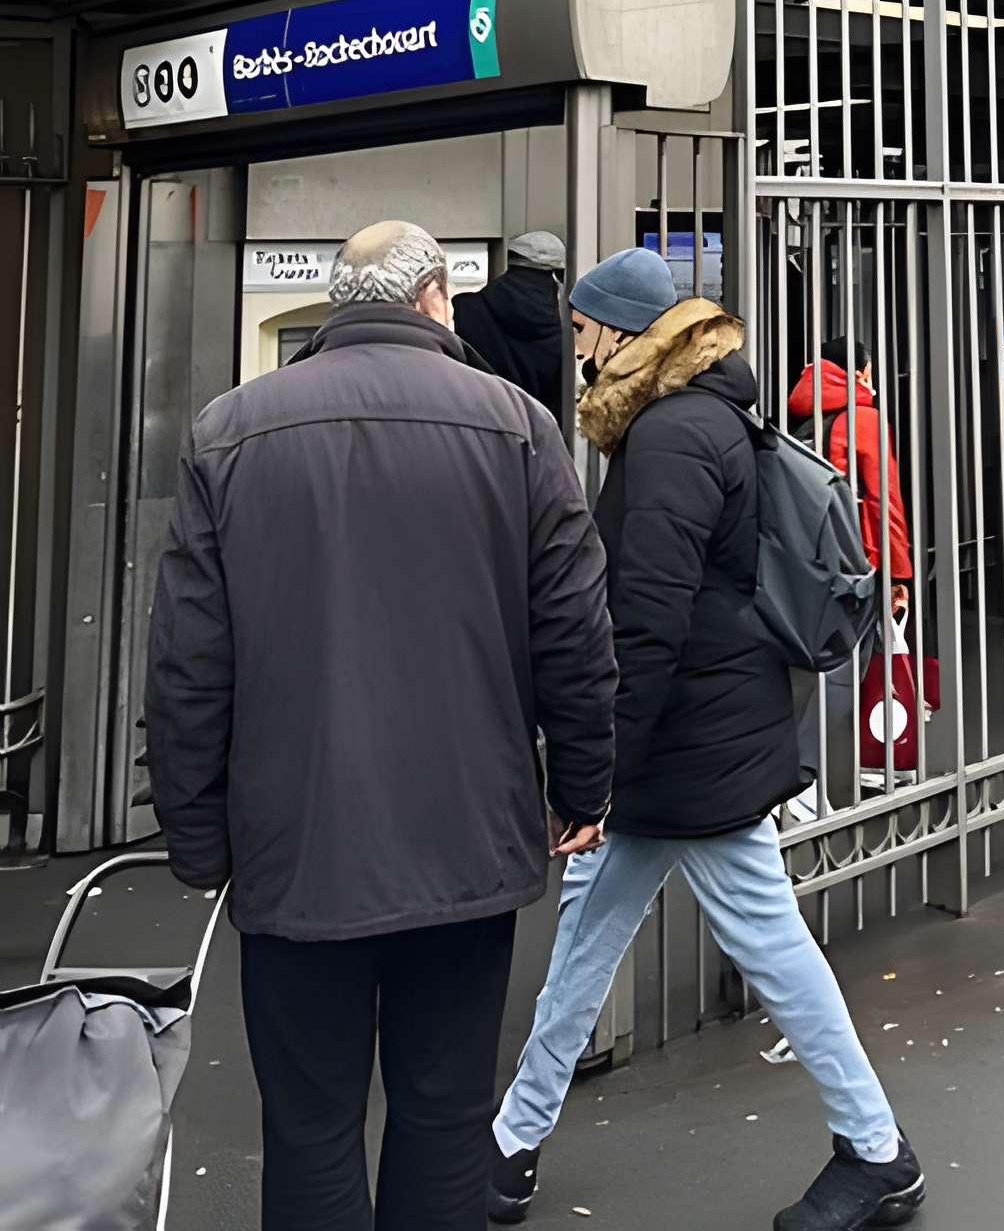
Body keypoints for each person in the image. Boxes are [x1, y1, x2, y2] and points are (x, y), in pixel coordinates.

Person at [145, 220, 616, 1231]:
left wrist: (195, 835)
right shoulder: (519, 427)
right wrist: (582, 786)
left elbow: (189, 660)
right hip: (467, 842)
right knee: (444, 1119)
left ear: (337, 303)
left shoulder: (227, 431)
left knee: (309, 1129)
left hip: (293, 847)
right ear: (437, 299)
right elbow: (575, 633)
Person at [489, 250, 923, 1231]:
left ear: (623, 336)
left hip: (690, 748)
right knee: (588, 938)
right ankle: (511, 1145)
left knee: (767, 946)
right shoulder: (697, 418)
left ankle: (877, 1149)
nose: (578, 345)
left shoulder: (676, 434)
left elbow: (648, 618)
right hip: (695, 737)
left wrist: (596, 775)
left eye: (587, 328)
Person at [784, 338, 913, 816]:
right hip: (858, 565)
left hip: (810, 562)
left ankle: (808, 777)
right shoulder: (862, 419)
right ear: (859, 371)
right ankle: (801, 780)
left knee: (815, 671)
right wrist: (897, 573)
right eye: (870, 369)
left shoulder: (800, 417)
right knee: (845, 674)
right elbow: (884, 503)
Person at [454, 230, 569, 414]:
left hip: (486, 423)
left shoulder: (467, 309)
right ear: (556, 273)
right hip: (547, 429)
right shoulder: (569, 323)